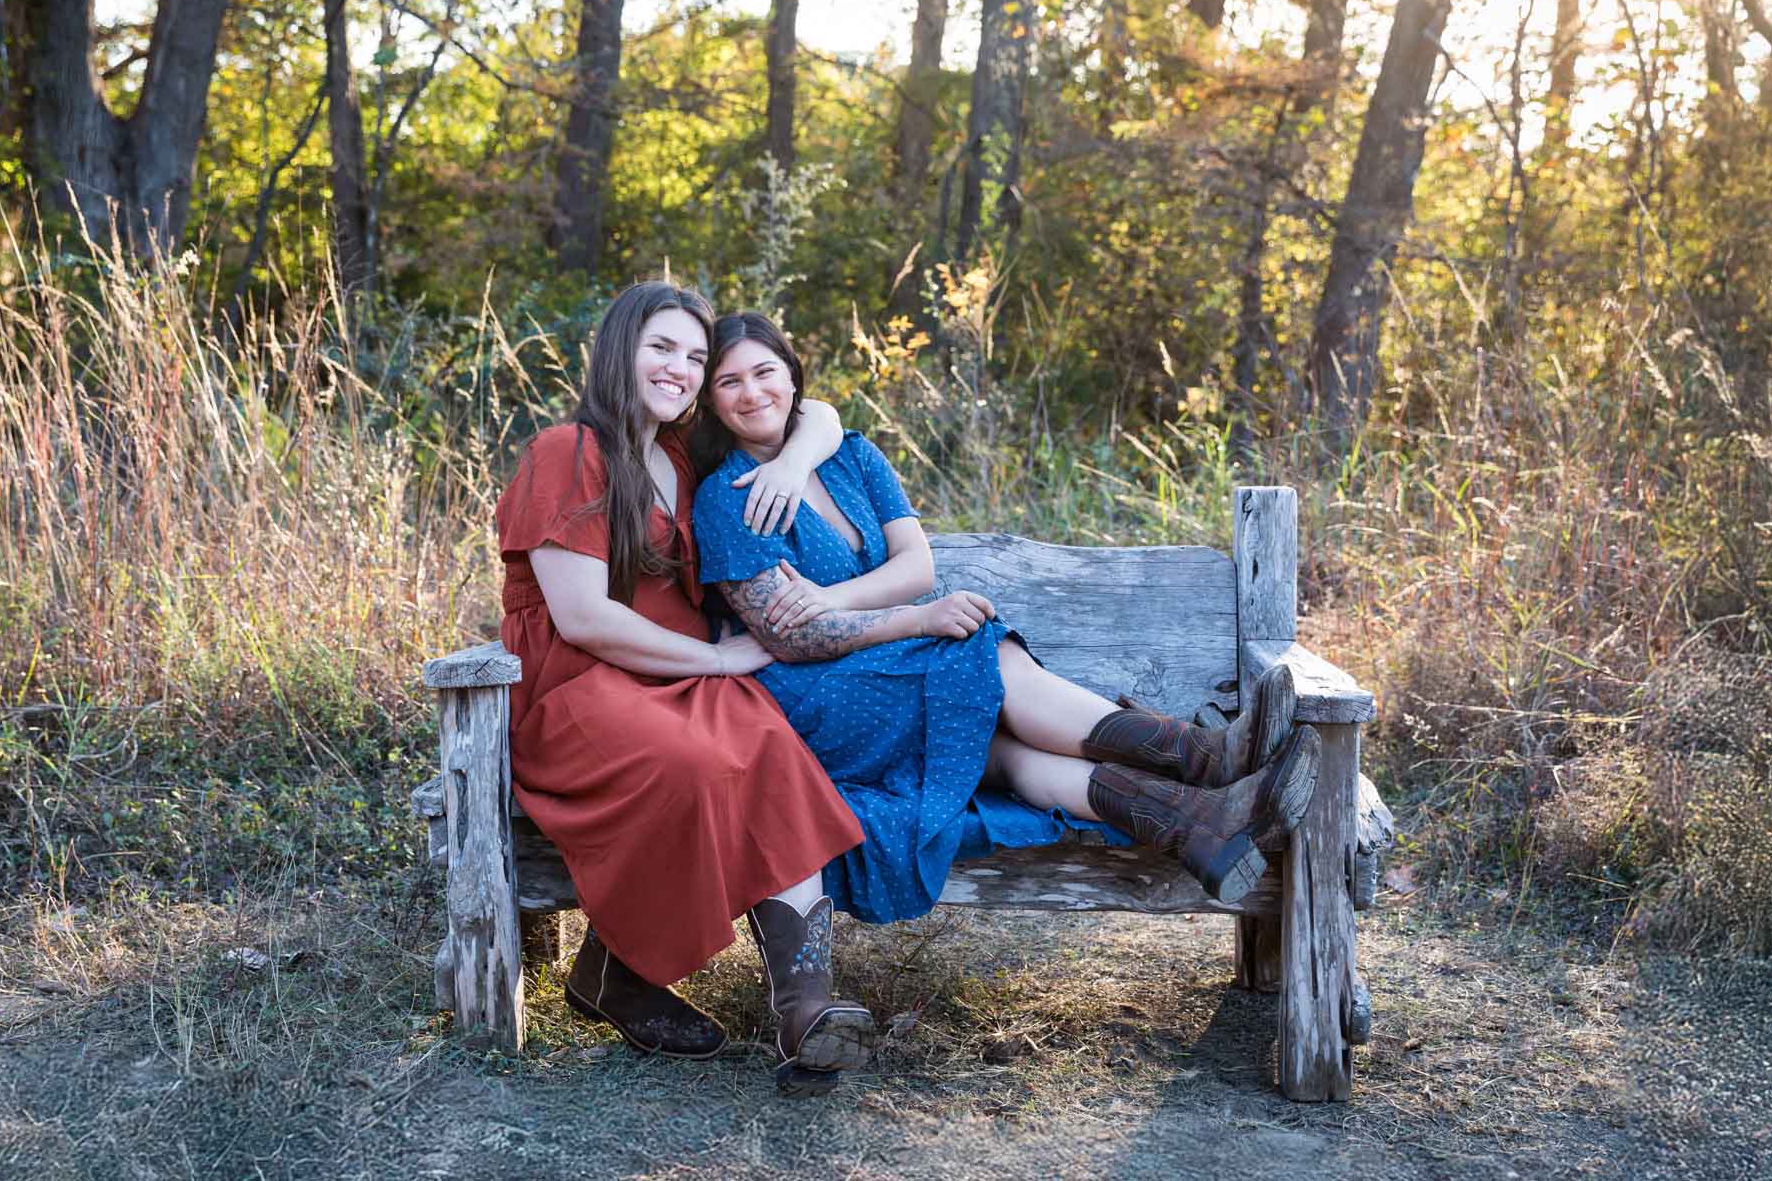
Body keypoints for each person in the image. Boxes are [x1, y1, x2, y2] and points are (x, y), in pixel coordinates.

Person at [689, 312, 1320, 926]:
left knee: (1004, 748)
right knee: (978, 649)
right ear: (712, 402)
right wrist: (916, 622)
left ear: (792, 374)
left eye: (764, 372)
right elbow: (792, 638)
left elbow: (916, 567)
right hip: (819, 699)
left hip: (891, 668)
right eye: (729, 382)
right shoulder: (726, 496)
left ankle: (1196, 824)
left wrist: (836, 598)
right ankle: (1203, 756)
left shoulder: (851, 455)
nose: (752, 393)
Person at [494, 282, 872, 1096]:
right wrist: (719, 660)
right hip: (580, 689)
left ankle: (805, 1009)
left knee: (770, 747)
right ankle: (617, 972)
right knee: (695, 763)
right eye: (662, 347)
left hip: (677, 676)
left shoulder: (681, 453)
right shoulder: (566, 451)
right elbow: (584, 618)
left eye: (696, 357)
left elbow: (816, 411)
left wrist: (796, 459)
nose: (682, 369)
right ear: (619, 350)